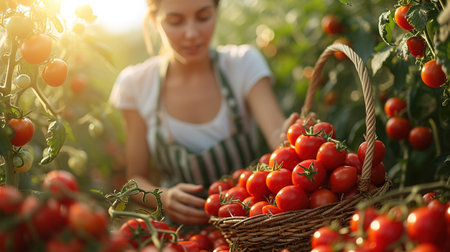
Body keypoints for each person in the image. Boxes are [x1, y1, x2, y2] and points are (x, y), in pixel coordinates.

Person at [109, 0, 298, 225]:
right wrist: (164, 198)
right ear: (154, 19)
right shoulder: (136, 85)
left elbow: (278, 136)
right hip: (184, 237)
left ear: (217, 12)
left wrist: (294, 137)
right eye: (175, 21)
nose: (192, 33)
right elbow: (134, 180)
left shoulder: (242, 65)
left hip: (251, 224)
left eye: (203, 17)